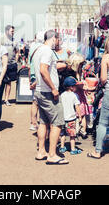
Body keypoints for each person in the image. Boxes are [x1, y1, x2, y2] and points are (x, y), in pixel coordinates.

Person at [34, 30, 69, 165]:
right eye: (58, 39)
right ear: (54, 38)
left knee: (43, 122)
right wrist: (54, 89)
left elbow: (42, 71)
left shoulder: (38, 50)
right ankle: (52, 154)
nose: (58, 42)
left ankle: (41, 151)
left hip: (41, 91)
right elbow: (43, 70)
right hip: (48, 92)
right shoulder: (47, 51)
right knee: (57, 122)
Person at [59, 77, 82, 155]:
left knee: (62, 134)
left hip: (62, 118)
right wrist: (80, 116)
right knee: (72, 135)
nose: (76, 87)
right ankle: (73, 149)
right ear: (71, 87)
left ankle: (62, 147)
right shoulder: (74, 95)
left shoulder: (62, 95)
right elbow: (77, 107)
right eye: (75, 86)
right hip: (71, 119)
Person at [28, 31, 44, 131]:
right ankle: (42, 122)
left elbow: (30, 63)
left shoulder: (32, 47)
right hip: (41, 75)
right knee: (42, 100)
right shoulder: (44, 48)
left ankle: (33, 123)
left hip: (33, 75)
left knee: (35, 101)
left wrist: (30, 78)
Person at [2, 25, 19, 106]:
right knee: (1, 82)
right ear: (6, 31)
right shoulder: (1, 40)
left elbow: (17, 52)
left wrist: (16, 60)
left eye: (13, 31)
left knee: (9, 83)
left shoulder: (15, 41)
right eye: (11, 31)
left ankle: (6, 100)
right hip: (2, 65)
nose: (13, 32)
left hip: (11, 64)